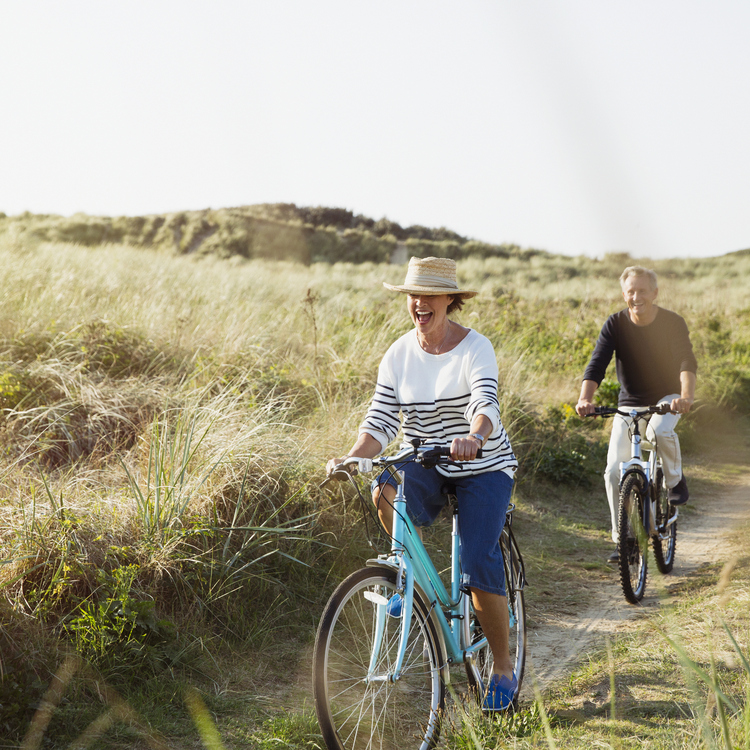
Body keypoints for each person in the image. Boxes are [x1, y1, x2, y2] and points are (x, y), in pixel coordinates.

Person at [326, 256, 519, 711]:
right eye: (413, 296)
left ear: (450, 300)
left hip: (482, 464)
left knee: (475, 561)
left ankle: (503, 666)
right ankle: (409, 584)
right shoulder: (398, 354)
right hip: (426, 460)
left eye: (429, 295)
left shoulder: (475, 348)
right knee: (384, 487)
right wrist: (354, 455)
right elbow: (380, 421)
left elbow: (485, 401)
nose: (419, 304)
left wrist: (475, 435)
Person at [575, 265, 697, 562]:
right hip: (628, 403)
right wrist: (584, 398)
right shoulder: (615, 324)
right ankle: (624, 540)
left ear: (654, 293)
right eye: (631, 291)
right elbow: (597, 365)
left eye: (642, 290)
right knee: (614, 471)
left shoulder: (672, 322)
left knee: (659, 431)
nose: (636, 296)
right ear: (623, 294)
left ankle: (674, 481)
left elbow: (686, 361)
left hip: (666, 398)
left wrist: (685, 397)